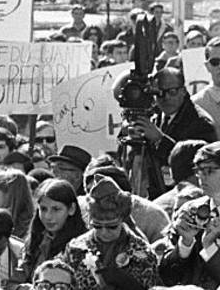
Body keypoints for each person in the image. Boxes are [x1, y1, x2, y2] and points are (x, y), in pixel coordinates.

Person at [128, 67, 218, 197]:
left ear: (183, 91)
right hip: (158, 193)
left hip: (190, 196)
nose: (165, 98)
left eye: (172, 92)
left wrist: (160, 140)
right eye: (159, 93)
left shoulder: (200, 122)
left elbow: (201, 165)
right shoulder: (155, 116)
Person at [57, 176, 159, 290]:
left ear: (123, 219)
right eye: (97, 226)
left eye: (112, 227)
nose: (104, 232)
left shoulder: (143, 254)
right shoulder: (75, 249)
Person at [159, 140, 220, 287]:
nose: (201, 177)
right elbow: (166, 276)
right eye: (198, 170)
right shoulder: (189, 210)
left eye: (209, 171)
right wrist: (184, 244)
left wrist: (209, 247)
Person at [21, 179, 87, 276]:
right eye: (43, 209)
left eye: (56, 209)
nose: (48, 216)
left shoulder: (81, 246)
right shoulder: (35, 239)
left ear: (71, 209)